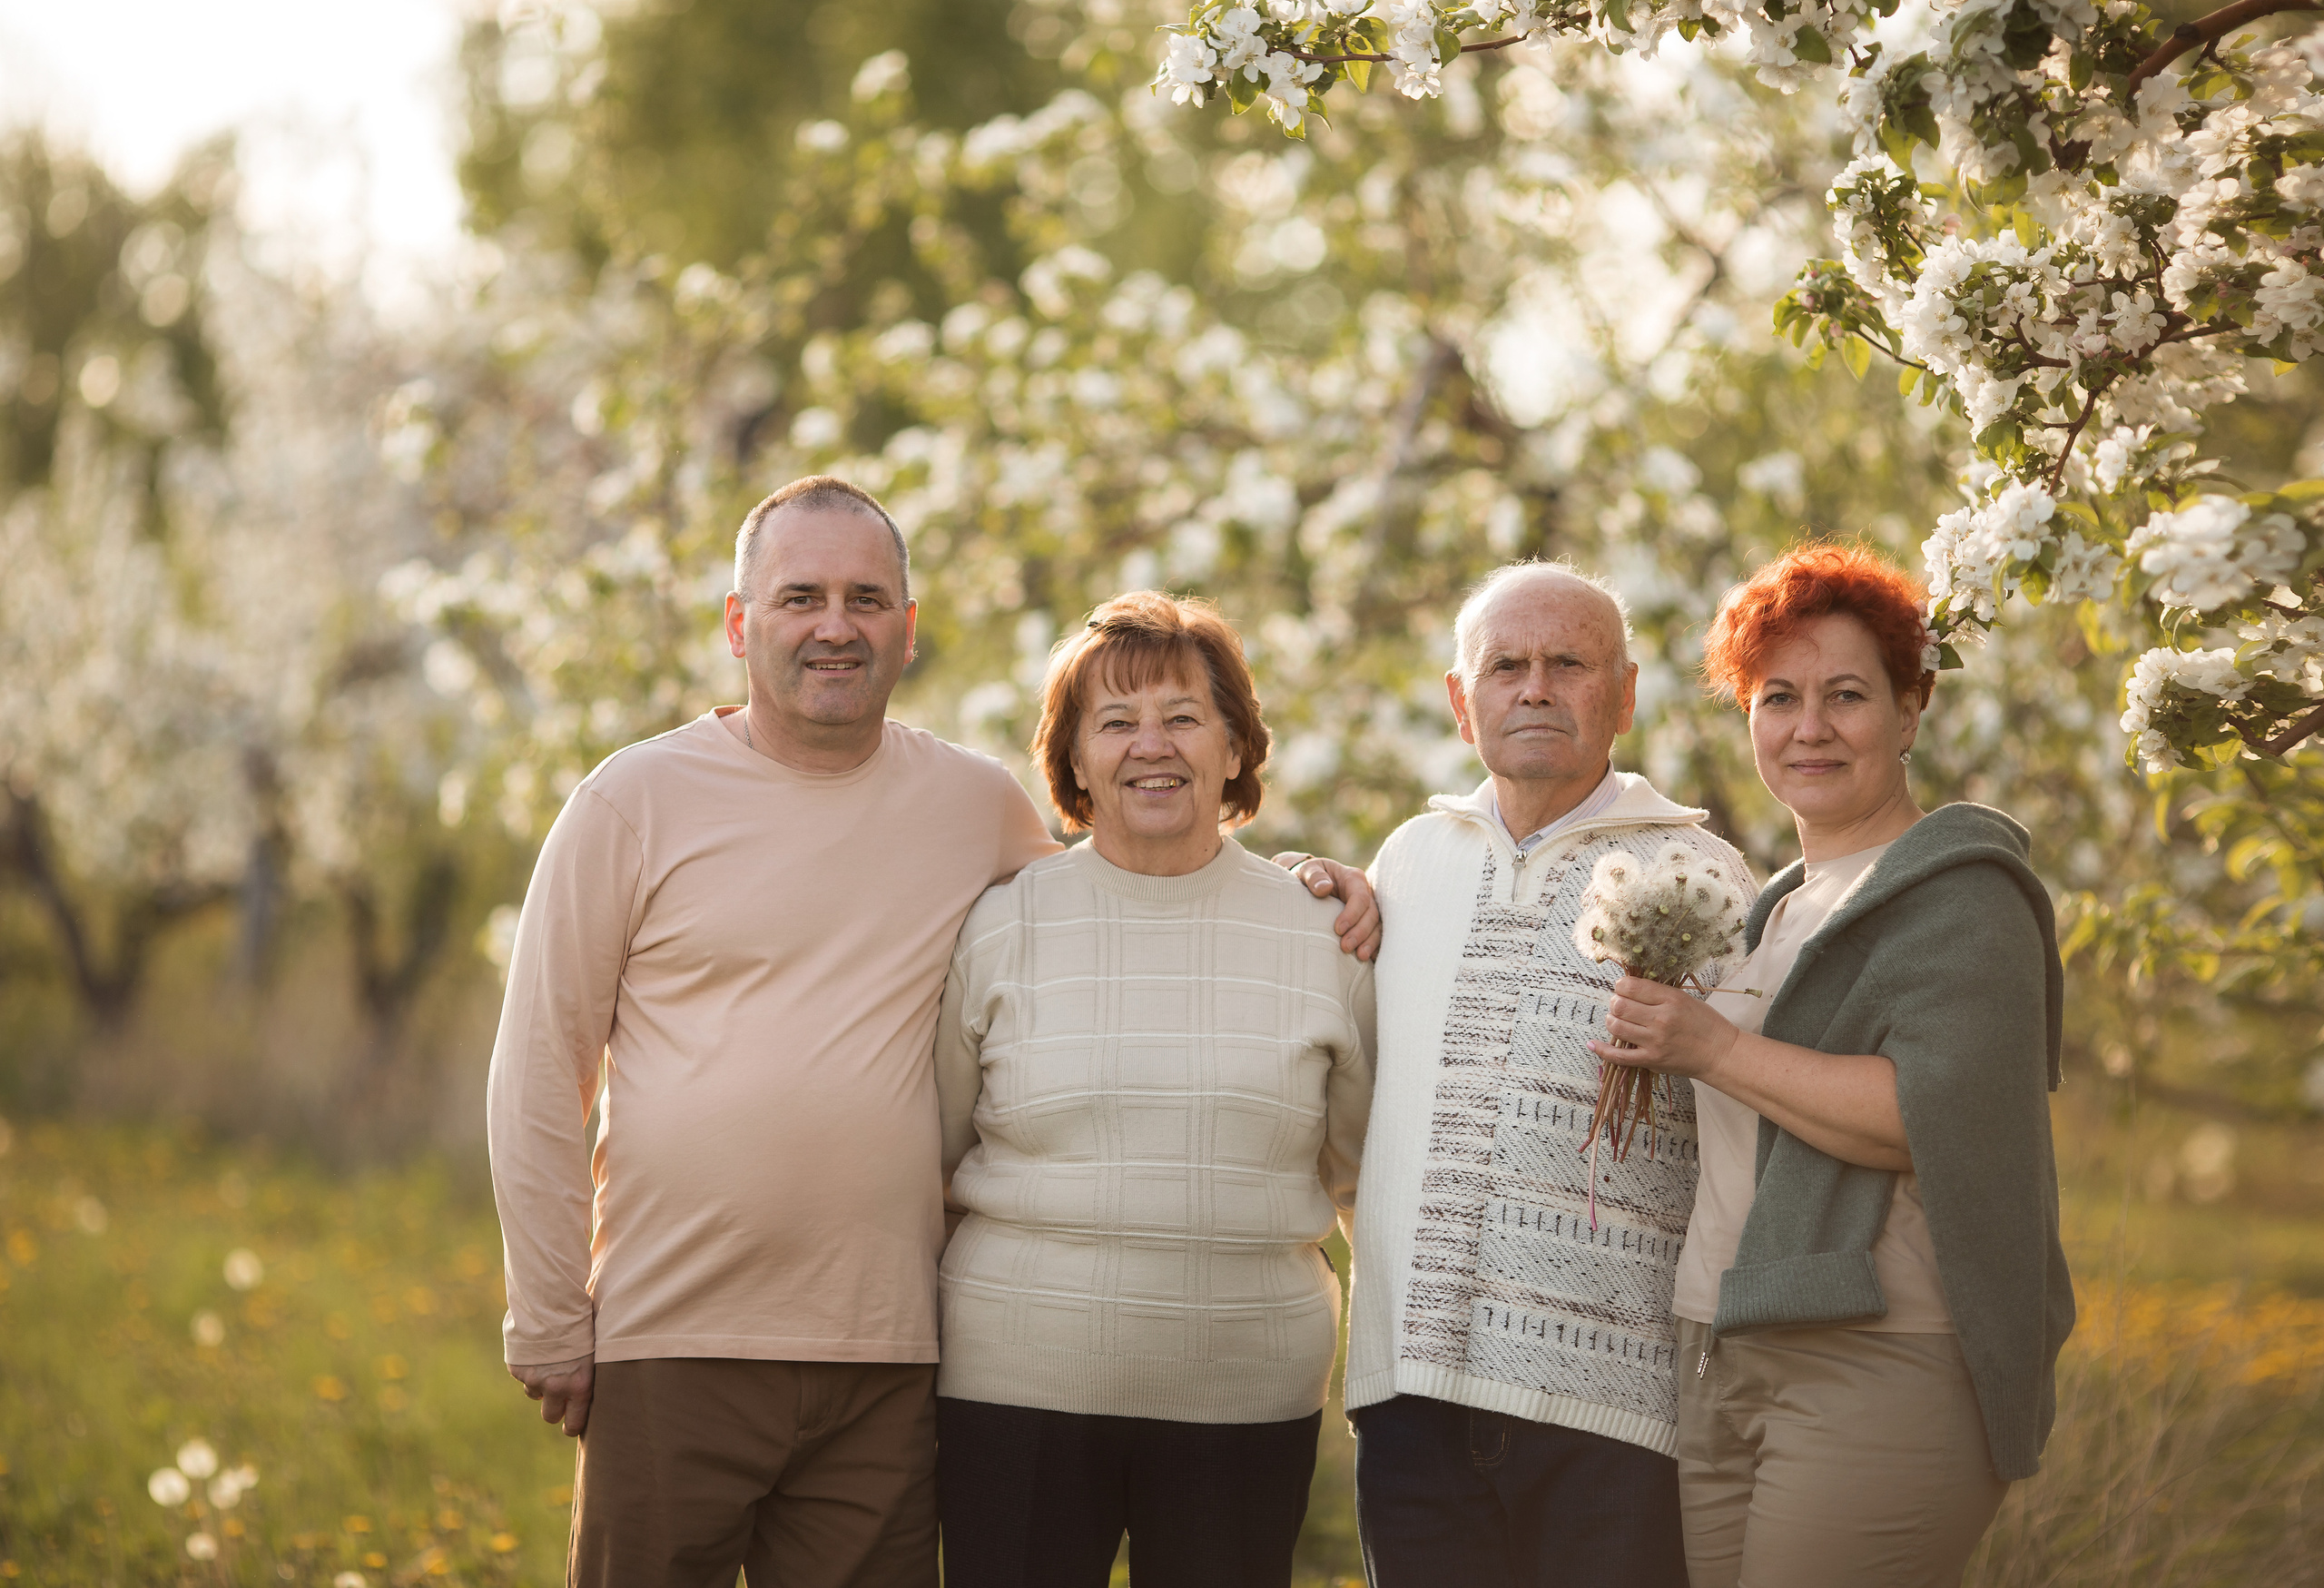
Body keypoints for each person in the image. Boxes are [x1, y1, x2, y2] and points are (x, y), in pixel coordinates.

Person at [485, 478, 1379, 1588]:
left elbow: (1134, 902)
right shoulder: (633, 801)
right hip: (673, 1336)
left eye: (865, 600)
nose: (835, 626)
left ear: (906, 630)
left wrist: (1306, 885)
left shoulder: (971, 804)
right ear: (738, 623)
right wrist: (548, 1318)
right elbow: (538, 1073)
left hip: (889, 1357)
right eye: (800, 597)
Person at [1598, 544, 2073, 1588]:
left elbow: (1926, 1116)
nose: (1807, 727)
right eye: (1777, 697)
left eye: (1845, 695)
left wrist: (1714, 1047)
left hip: (1879, 1356)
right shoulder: (1769, 910)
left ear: (1909, 712)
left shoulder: (1960, 896)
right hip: (1722, 1344)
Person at [931, 591, 1375, 1588]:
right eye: (1116, 721)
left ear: (1234, 745)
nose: (1151, 746)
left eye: (1183, 716)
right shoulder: (1000, 927)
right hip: (1013, 1387)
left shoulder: (1327, 937)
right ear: (1074, 758)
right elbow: (939, 1154)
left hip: (1245, 1394)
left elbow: (1359, 1182)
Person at [1337, 561, 1745, 1588]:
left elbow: (1749, 1132)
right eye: (1506, 666)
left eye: (1569, 663)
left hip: (1615, 1404)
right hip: (1411, 1400)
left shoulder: (1703, 874)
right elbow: (1355, 1092)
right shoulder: (1406, 861)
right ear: (1459, 699)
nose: (1535, 688)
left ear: (1625, 693)